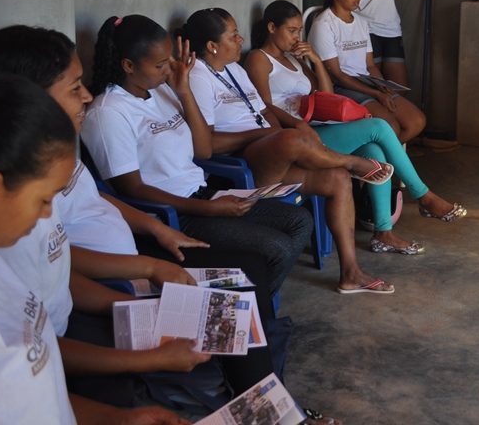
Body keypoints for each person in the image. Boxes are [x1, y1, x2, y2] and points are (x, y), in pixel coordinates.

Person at [0, 74, 188, 425]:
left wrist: (116, 419)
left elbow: (44, 388)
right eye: (44, 200)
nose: (48, 215)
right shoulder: (7, 253)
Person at [82, 15, 315, 298]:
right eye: (160, 65)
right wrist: (208, 209)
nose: (169, 69)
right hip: (173, 214)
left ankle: (254, 301)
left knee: (299, 221)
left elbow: (202, 149)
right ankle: (250, 305)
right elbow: (132, 189)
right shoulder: (109, 112)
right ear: (128, 65)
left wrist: (184, 91)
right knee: (275, 248)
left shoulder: (160, 91)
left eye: (168, 60)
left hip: (203, 193)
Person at [180, 7, 395, 294]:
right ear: (211, 45)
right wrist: (269, 135)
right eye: (233, 35)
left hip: (271, 153)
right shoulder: (197, 77)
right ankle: (351, 162)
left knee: (337, 179)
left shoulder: (234, 69)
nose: (241, 39)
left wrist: (278, 132)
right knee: (293, 139)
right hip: (240, 165)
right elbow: (207, 144)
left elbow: (265, 111)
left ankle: (351, 273)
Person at [247, 0, 466, 253]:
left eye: (299, 31)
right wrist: (298, 124)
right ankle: (423, 196)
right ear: (272, 28)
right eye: (291, 30)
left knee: (374, 151)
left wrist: (315, 60)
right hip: (297, 138)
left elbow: (326, 96)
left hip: (316, 127)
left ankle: (383, 232)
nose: (297, 37)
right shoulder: (259, 58)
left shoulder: (294, 60)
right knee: (379, 127)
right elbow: (263, 105)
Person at [309, 0, 427, 144]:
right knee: (390, 127)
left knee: (416, 121)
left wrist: (382, 86)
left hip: (365, 82)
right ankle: (374, 157)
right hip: (340, 87)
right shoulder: (323, 24)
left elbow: (370, 65)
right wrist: (375, 93)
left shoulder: (362, 22)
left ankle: (378, 157)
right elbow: (336, 75)